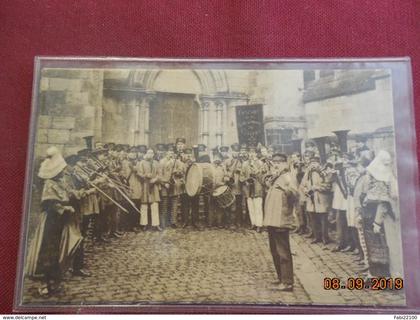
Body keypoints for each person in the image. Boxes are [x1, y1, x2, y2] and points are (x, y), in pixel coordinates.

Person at [25, 147, 80, 296]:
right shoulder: (49, 184)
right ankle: (44, 283)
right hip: (50, 222)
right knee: (48, 250)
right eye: (61, 169)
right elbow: (49, 204)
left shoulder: (60, 182)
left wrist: (72, 198)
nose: (63, 171)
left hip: (60, 222)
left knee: (57, 251)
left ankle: (54, 282)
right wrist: (64, 208)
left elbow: (67, 195)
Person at [263, 152, 298, 292]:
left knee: (283, 251)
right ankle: (281, 278)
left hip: (281, 219)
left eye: (279, 162)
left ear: (285, 163)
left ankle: (288, 282)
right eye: (274, 162)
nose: (276, 164)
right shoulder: (276, 177)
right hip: (272, 219)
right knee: (274, 250)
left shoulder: (288, 177)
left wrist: (287, 190)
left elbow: (295, 195)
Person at [301, 156, 332, 246]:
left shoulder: (323, 173)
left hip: (321, 199)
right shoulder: (308, 173)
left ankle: (325, 238)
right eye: (311, 163)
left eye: (315, 163)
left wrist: (317, 187)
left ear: (319, 163)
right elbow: (303, 184)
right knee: (313, 219)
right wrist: (305, 190)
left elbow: (328, 186)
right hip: (311, 199)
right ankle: (316, 236)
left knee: (323, 219)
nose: (313, 165)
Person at [240, 146, 264, 232]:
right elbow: (241, 176)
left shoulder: (261, 163)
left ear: (256, 154)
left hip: (257, 187)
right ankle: (253, 223)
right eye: (250, 153)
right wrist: (245, 181)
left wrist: (256, 170)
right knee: (251, 207)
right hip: (248, 188)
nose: (251, 155)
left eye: (253, 153)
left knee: (258, 207)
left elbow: (263, 177)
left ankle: (259, 225)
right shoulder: (245, 164)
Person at [138, 148, 162, 231]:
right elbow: (139, 173)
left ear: (153, 154)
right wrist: (145, 175)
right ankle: (144, 224)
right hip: (145, 185)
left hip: (154, 186)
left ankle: (156, 224)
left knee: (154, 205)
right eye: (148, 153)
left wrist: (155, 179)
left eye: (152, 153)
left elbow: (160, 174)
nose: (150, 154)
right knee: (144, 205)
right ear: (146, 154)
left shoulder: (156, 163)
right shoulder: (142, 163)